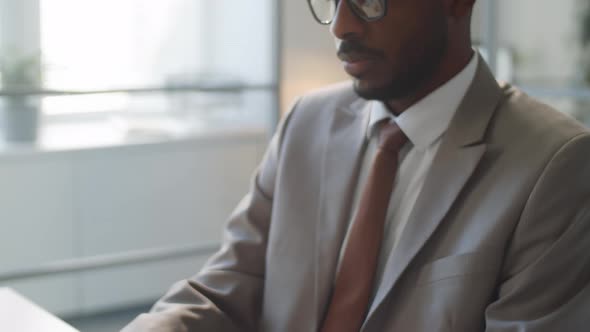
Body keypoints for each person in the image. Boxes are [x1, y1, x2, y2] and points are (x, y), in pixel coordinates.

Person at [123, 0, 590, 331]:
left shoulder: (555, 165)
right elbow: (232, 285)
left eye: (370, 1)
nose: (341, 25)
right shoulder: (305, 123)